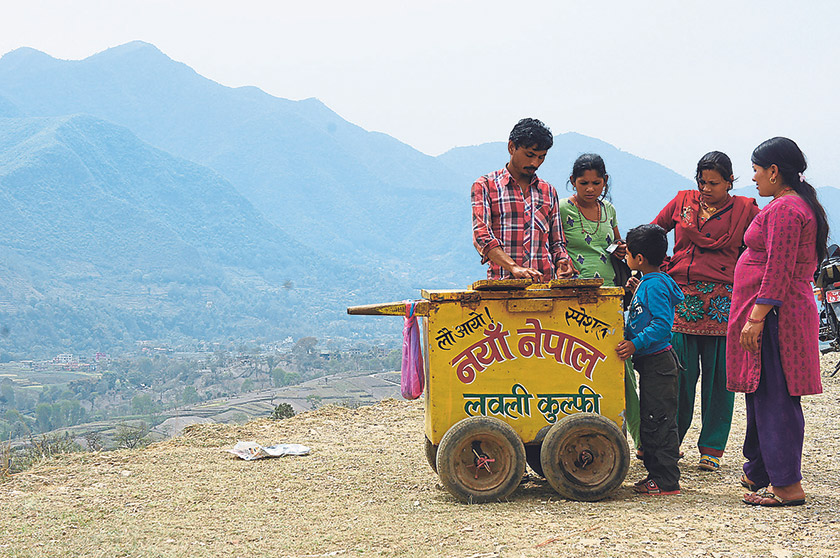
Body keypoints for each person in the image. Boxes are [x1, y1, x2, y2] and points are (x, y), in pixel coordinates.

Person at [728, 137, 828, 507]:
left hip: (776, 319)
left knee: (775, 398)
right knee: (760, 394)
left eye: (756, 170)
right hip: (773, 314)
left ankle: (787, 486)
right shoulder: (790, 205)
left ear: (773, 170)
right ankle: (760, 472)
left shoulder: (786, 210)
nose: (753, 178)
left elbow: (779, 268)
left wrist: (756, 317)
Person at [652, 152, 759, 471]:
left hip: (725, 300)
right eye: (702, 181)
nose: (707, 188)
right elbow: (655, 233)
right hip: (682, 298)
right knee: (678, 376)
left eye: (714, 183)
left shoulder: (746, 209)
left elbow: (758, 245)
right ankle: (670, 441)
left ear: (730, 181)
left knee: (719, 379)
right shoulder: (682, 201)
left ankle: (712, 448)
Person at [558, 154, 640, 452]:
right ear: (573, 182)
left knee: (621, 364)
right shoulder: (564, 208)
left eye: (596, 183)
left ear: (604, 182)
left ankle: (640, 439)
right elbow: (556, 245)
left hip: (610, 295)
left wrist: (622, 252)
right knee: (577, 361)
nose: (590, 189)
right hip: (575, 296)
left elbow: (616, 246)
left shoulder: (609, 211)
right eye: (583, 183)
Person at [616, 224, 685, 495]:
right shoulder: (650, 281)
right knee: (652, 418)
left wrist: (634, 343)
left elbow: (660, 325)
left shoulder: (654, 285)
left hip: (659, 362)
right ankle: (657, 475)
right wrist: (636, 292)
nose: (626, 258)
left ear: (639, 259)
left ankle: (667, 480)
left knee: (660, 421)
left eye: (629, 254)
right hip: (653, 363)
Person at [471, 118, 574, 281]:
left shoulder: (548, 191)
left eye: (541, 157)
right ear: (511, 147)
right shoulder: (485, 186)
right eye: (530, 155)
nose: (535, 162)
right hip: (502, 287)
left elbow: (557, 242)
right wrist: (514, 268)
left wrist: (562, 262)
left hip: (544, 287)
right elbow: (481, 237)